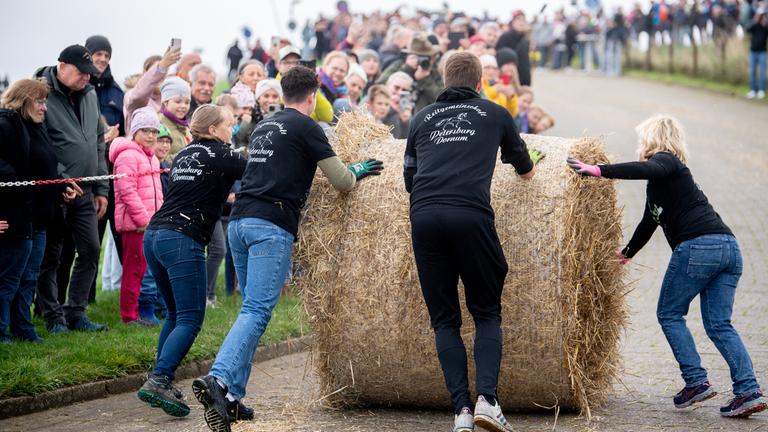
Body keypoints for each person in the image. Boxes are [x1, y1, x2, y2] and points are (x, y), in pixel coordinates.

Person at [192, 65, 384, 432]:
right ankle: (218, 380)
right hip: (270, 226)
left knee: (251, 312)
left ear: (283, 94)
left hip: (239, 224)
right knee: (258, 312)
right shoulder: (307, 126)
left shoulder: (266, 125)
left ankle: (232, 397)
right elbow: (341, 181)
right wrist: (358, 168)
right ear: (312, 97)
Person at [567, 114, 766, 419]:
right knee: (718, 324)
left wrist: (598, 171)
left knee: (669, 313)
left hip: (699, 247)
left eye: (640, 140)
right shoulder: (661, 184)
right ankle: (748, 392)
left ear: (652, 140)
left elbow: (648, 167)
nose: (638, 147)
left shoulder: (667, 161)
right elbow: (649, 222)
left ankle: (696, 382)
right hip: (728, 250)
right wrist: (625, 254)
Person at [403, 52, 542, 432]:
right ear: (480, 83)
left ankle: (461, 411)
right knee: (486, 311)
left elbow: (409, 179)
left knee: (444, 319)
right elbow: (526, 169)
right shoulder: (496, 114)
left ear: (445, 81)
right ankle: (487, 401)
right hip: (470, 215)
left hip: (425, 217)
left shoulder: (420, 119)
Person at [136, 104, 247, 417]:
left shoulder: (185, 153)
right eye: (230, 123)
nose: (233, 128)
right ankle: (160, 379)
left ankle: (160, 378)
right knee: (190, 317)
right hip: (181, 237)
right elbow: (260, 167)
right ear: (213, 130)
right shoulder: (224, 154)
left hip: (154, 235)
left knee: (173, 313)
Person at [34, 45, 109, 334]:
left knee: (90, 249)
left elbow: (98, 142)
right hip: (53, 191)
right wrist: (63, 179)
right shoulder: (40, 93)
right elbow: (40, 145)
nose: (87, 79)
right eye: (81, 73)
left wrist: (102, 187)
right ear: (62, 66)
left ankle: (76, 312)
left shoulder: (90, 94)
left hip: (87, 190)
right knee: (51, 255)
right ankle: (52, 316)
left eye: (90, 74)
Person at [0, 78, 78, 343]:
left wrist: (61, 186)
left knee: (29, 277)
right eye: (40, 101)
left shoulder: (37, 126)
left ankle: (23, 329)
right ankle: (2, 331)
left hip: (39, 218)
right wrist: (24, 182)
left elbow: (46, 168)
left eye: (46, 102)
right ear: (23, 100)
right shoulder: (5, 124)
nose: (45, 108)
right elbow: (15, 172)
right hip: (14, 216)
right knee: (9, 279)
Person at [109, 107, 164, 325]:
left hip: (151, 224)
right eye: (145, 131)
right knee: (134, 271)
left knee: (146, 270)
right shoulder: (128, 155)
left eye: (154, 131)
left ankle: (142, 311)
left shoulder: (152, 158)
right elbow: (126, 190)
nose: (151, 136)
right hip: (136, 225)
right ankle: (129, 316)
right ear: (134, 131)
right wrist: (143, 220)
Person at [377, 34, 442, 113]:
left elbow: (441, 99)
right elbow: (379, 85)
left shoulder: (433, 73)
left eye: (426, 57)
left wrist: (425, 79)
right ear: (409, 55)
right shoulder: (399, 65)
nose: (422, 60)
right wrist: (406, 69)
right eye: (419, 57)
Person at [124, 47, 182, 134]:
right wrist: (161, 66)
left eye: (165, 71)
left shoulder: (169, 100)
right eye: (158, 72)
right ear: (146, 75)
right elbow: (140, 93)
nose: (161, 76)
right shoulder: (133, 97)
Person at [158, 77, 192, 162]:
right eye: (178, 101)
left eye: (187, 102)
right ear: (165, 103)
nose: (183, 106)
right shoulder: (159, 125)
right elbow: (159, 159)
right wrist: (186, 156)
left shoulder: (185, 126)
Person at [497, 13, 532, 86]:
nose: (521, 22)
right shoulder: (505, 37)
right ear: (512, 22)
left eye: (523, 20)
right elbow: (499, 57)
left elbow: (525, 60)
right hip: (508, 78)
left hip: (523, 77)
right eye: (518, 19)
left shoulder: (525, 38)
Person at [381, 71, 413, 139]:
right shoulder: (375, 97)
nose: (399, 92)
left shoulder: (406, 108)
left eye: (404, 90)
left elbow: (406, 140)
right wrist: (390, 107)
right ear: (387, 86)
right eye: (396, 87)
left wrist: (405, 122)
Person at [746, 9, 768, 99]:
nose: (761, 17)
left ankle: (761, 90)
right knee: (752, 72)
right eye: (760, 15)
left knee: (762, 72)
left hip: (762, 52)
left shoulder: (765, 26)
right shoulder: (754, 25)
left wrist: (765, 24)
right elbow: (747, 29)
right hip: (753, 51)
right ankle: (753, 90)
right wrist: (755, 21)